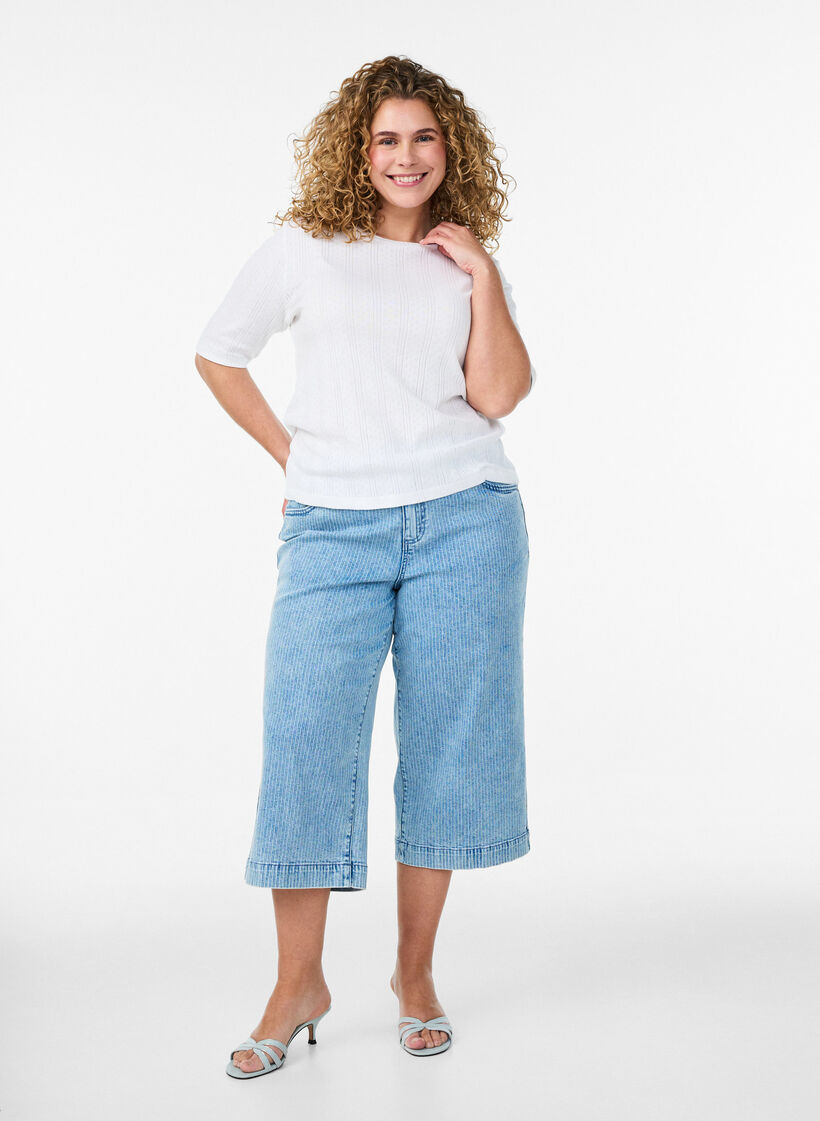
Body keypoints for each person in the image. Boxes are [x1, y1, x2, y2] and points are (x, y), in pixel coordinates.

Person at [194, 55, 536, 1077]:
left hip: (465, 521)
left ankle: (413, 974)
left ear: (449, 148)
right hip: (333, 531)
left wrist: (483, 276)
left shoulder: (460, 255)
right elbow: (219, 352)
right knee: (305, 740)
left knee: (445, 750)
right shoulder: (305, 247)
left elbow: (500, 396)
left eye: (423, 137)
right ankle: (299, 980)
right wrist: (295, 456)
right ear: (358, 147)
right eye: (386, 138)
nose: (404, 155)